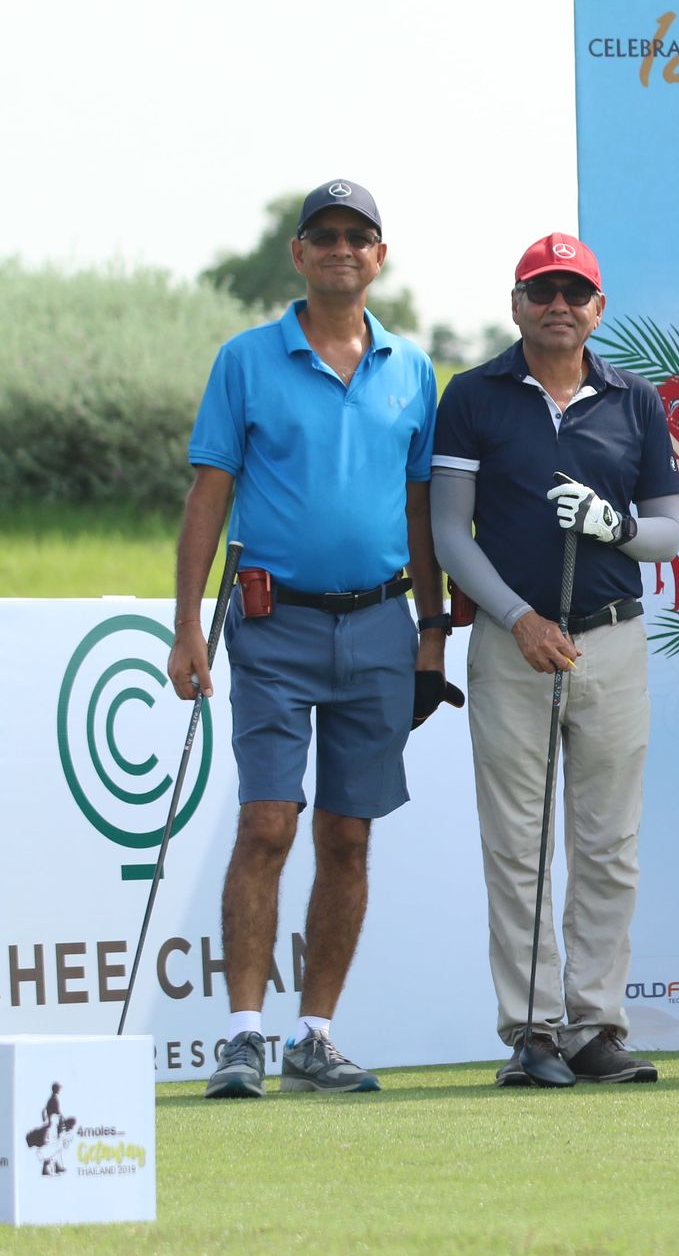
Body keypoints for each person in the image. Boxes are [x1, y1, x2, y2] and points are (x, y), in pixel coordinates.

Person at [171, 179, 453, 1100]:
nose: (341, 248)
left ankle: (315, 1034)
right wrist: (186, 627)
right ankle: (244, 1034)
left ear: (380, 255)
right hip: (272, 622)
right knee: (266, 824)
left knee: (348, 835)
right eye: (324, 235)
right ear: (299, 253)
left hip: (379, 622)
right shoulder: (246, 360)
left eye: (357, 236)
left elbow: (421, 510)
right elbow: (208, 495)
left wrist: (429, 630)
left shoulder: (413, 370)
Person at [432, 233, 679, 1087]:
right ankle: (533, 1030)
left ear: (598, 309)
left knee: (609, 842)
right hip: (513, 645)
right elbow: (446, 531)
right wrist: (516, 615)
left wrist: (612, 525)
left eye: (575, 292)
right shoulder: (473, 395)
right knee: (519, 843)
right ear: (516, 303)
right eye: (542, 290)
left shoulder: (634, 402)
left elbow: (669, 530)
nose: (559, 305)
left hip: (611, 636)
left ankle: (595, 1023)